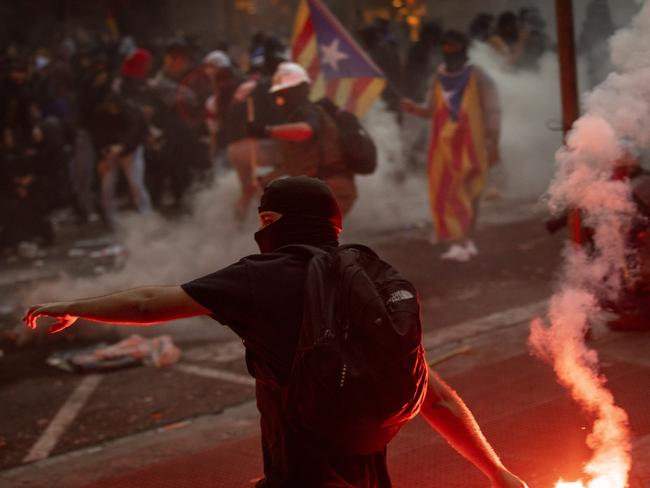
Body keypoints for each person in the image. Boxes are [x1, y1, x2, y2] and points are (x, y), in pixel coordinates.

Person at [24, 176, 527, 488]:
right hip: (367, 471)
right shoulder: (369, 275)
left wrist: (74, 306)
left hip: (303, 472)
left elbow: (146, 302)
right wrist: (498, 472)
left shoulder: (262, 276)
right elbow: (432, 396)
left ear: (270, 220)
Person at [401, 30, 501, 262]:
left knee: (470, 192)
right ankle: (458, 241)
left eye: (453, 47)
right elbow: (430, 110)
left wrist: (493, 144)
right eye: (445, 47)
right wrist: (413, 108)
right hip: (444, 148)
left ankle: (467, 239)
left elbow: (493, 111)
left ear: (463, 49)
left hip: (472, 145)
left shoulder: (478, 77)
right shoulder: (438, 78)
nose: (449, 52)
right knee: (447, 193)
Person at [230, 62, 358, 221]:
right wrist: (264, 182)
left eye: (283, 93)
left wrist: (266, 130)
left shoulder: (307, 111)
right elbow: (296, 162)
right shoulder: (305, 117)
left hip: (330, 190)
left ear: (296, 91)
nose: (279, 100)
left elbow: (306, 130)